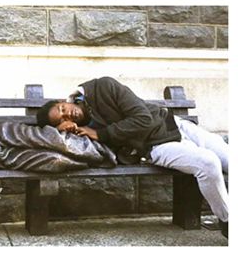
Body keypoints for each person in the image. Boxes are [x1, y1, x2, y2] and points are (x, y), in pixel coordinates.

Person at [36, 76, 228, 238]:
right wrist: (65, 132)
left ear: (64, 100)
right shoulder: (82, 133)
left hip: (177, 126)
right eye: (62, 120)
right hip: (157, 146)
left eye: (62, 109)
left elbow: (143, 118)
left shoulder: (102, 87)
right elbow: (74, 150)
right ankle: (228, 222)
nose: (68, 115)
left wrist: (102, 134)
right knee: (208, 163)